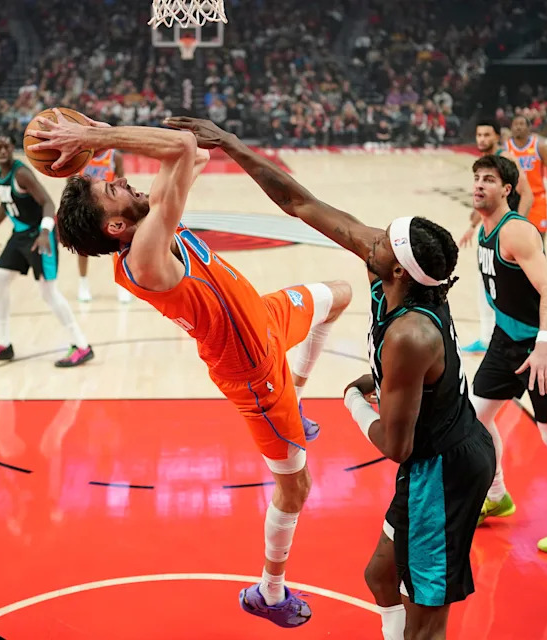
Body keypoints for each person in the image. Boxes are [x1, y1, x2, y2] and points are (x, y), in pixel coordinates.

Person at [166, 116, 495, 640]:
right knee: (380, 576)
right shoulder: (396, 276)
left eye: (384, 241)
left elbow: (396, 446)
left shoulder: (411, 335)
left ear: (398, 270)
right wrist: (231, 143)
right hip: (434, 452)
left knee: (427, 623)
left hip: (443, 471)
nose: (372, 238)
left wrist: (352, 399)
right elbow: (301, 203)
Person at [27, 111, 351, 628]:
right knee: (297, 488)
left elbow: (193, 153)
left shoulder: (149, 219)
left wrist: (96, 131)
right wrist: (93, 134)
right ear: (116, 227)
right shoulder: (145, 257)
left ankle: (301, 396)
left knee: (341, 293)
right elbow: (179, 149)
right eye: (111, 190)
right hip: (255, 375)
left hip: (264, 316)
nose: (120, 180)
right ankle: (269, 592)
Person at [470, 154, 547, 554]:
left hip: (542, 344)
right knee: (475, 417)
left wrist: (543, 345)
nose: (479, 184)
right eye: (476, 178)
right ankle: (496, 494)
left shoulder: (516, 232)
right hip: (506, 339)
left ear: (507, 189)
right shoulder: (485, 229)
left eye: (489, 179)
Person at [0, 135, 94, 368]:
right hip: (19, 236)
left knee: (48, 293)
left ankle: (81, 346)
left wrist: (44, 232)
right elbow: (6, 203)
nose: (3, 150)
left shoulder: (21, 174)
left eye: (6, 146)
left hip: (40, 236)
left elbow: (48, 203)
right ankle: (3, 344)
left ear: (12, 148)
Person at [460, 120, 534, 355]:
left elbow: (527, 195)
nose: (482, 139)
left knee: (506, 289)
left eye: (486, 135)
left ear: (496, 137)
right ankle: (486, 339)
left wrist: (516, 224)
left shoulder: (506, 160)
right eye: (479, 135)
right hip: (489, 231)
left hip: (506, 235)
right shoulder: (484, 164)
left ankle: (518, 340)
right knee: (485, 284)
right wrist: (472, 226)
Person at [73, 149, 133, 304]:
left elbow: (121, 184)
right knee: (83, 248)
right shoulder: (81, 154)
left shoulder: (115, 156)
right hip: (86, 208)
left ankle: (123, 285)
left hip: (108, 209)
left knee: (117, 247)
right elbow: (71, 182)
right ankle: (83, 284)